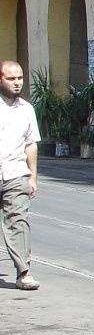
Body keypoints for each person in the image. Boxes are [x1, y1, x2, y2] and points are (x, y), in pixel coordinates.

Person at [0, 61, 39, 291]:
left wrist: (32, 177)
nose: (17, 83)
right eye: (11, 78)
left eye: (20, 78)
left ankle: (23, 272)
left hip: (16, 174)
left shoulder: (27, 109)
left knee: (19, 222)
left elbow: (30, 144)